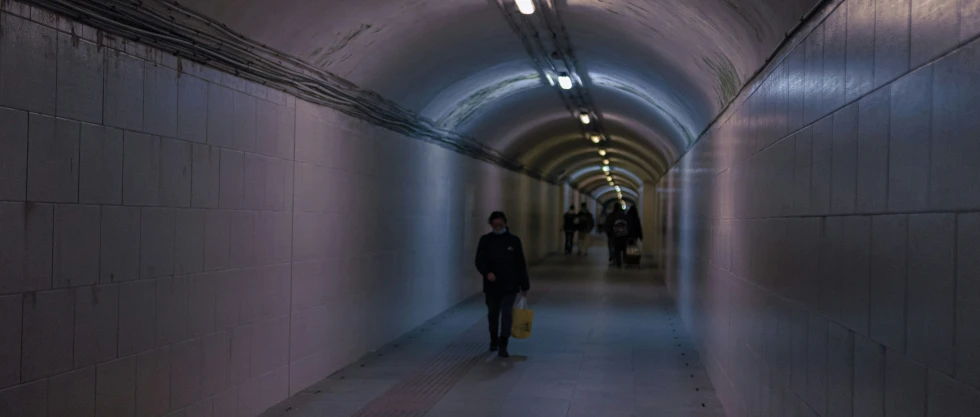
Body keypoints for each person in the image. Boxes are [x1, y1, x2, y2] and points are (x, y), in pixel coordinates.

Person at [475, 211, 530, 358]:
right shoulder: (485, 241)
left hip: (510, 286)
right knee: (493, 315)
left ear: (505, 224)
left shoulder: (514, 241)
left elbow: (520, 264)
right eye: (495, 225)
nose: (498, 227)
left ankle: (503, 344)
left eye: (500, 225)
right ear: (491, 225)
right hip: (491, 286)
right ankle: (494, 339)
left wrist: (524, 285)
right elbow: (479, 261)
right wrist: (487, 273)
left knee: (506, 315)